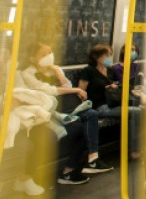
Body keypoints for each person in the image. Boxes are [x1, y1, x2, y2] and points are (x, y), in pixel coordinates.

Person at [20, 42, 112, 177]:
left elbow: (67, 85)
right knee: (85, 122)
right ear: (33, 58)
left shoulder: (55, 69)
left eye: (50, 53)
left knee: (90, 116)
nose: (49, 56)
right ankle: (76, 167)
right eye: (44, 54)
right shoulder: (27, 74)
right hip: (49, 109)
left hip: (66, 106)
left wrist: (59, 73)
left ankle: (88, 160)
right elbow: (48, 91)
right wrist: (76, 89)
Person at [78, 44, 143, 160]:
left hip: (111, 103)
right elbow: (81, 92)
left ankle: (134, 145)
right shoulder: (88, 71)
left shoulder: (108, 71)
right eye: (107, 55)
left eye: (110, 55)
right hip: (99, 106)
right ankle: (133, 148)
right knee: (136, 112)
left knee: (138, 110)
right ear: (97, 57)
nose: (109, 58)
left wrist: (113, 86)